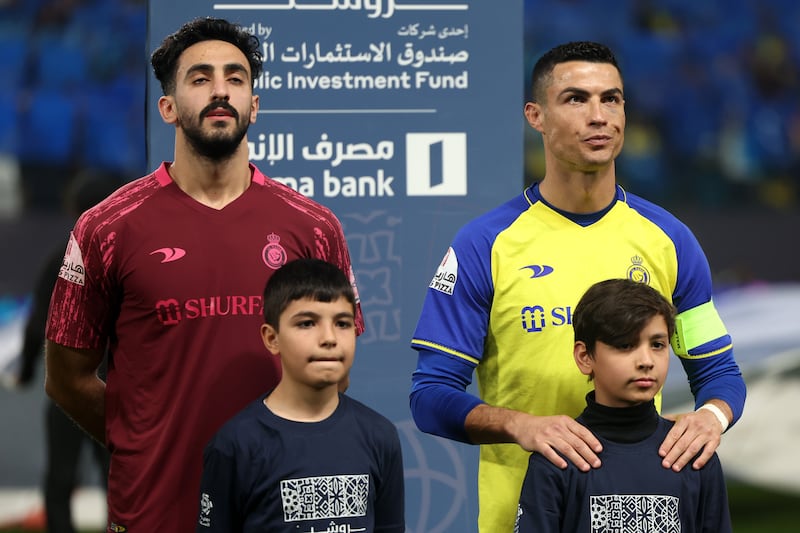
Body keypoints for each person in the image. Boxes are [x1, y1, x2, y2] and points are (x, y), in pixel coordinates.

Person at [409, 41, 745, 532]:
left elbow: (718, 371)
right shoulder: (485, 244)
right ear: (536, 116)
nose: (598, 116)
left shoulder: (671, 240)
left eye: (611, 99)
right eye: (575, 99)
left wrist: (711, 417)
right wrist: (521, 425)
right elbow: (430, 396)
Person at [43, 17, 363, 533]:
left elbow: (334, 368)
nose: (220, 91)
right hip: (153, 511)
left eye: (236, 79)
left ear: (254, 106)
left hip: (281, 514)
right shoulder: (105, 227)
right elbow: (66, 378)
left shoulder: (314, 227)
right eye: (200, 78)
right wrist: (140, 441)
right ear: (167, 107)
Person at [196, 258, 405, 532]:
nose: (329, 337)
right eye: (307, 323)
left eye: (342, 323)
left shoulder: (380, 436)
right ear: (272, 338)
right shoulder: (235, 445)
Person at [515, 278, 732, 532]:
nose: (646, 361)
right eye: (625, 345)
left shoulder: (694, 453)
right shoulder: (557, 458)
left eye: (657, 345)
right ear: (585, 357)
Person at [16, 171, 116, 533]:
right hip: (118, 389)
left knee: (60, 475)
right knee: (117, 475)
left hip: (69, 388)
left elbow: (37, 323)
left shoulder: (63, 258)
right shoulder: (132, 255)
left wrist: (27, 370)